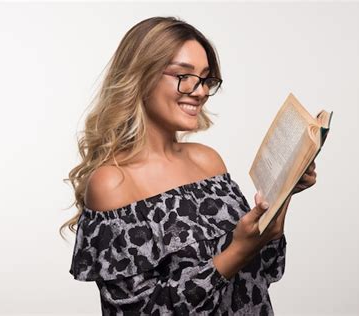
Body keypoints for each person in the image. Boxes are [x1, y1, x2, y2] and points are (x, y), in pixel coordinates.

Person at [61, 16, 317, 316]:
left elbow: (262, 273)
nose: (200, 91)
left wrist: (284, 191)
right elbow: (141, 311)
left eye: (206, 78)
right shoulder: (112, 184)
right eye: (184, 75)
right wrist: (236, 252)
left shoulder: (207, 160)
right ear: (141, 76)